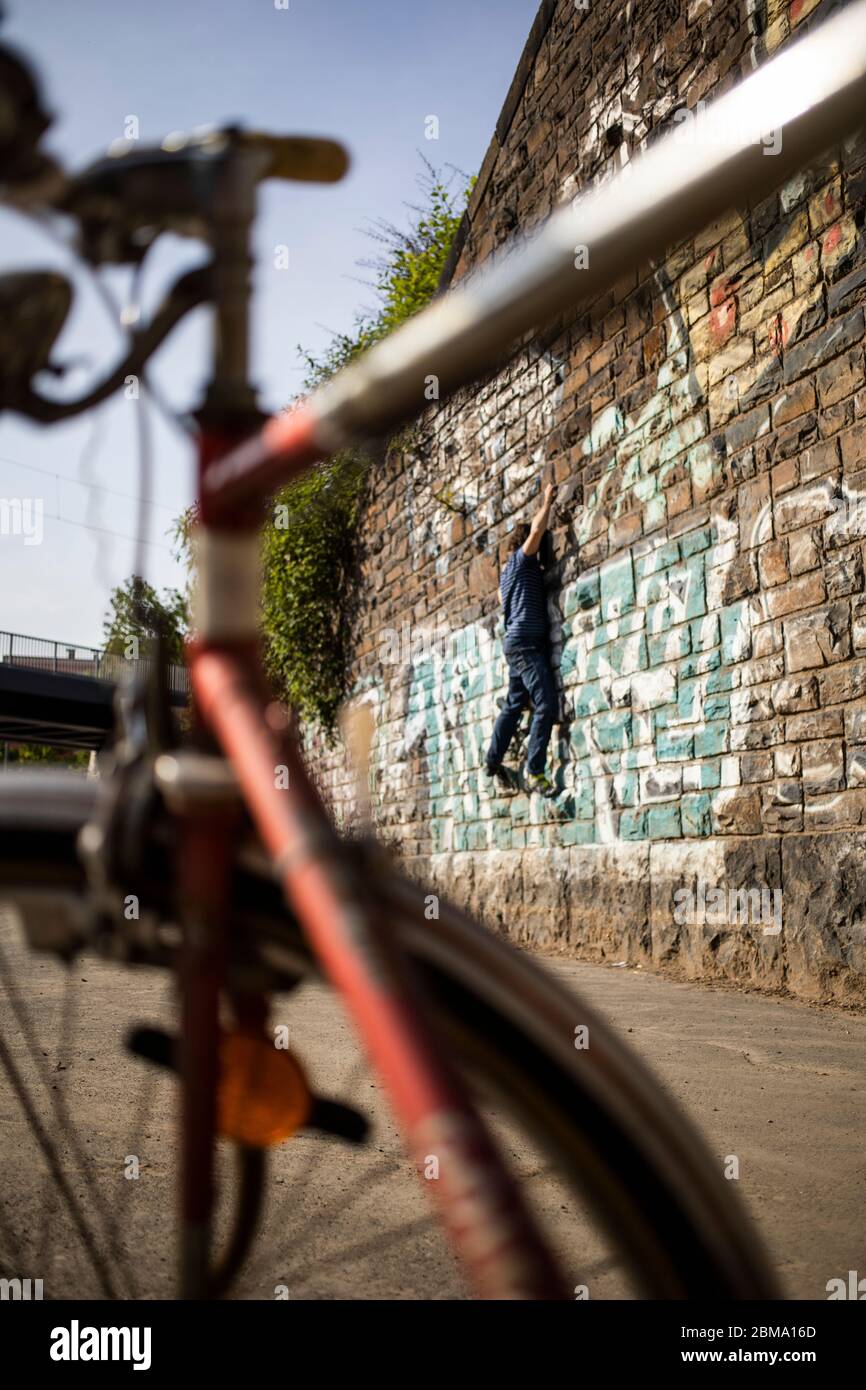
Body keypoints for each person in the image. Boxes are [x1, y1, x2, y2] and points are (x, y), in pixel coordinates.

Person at [485, 482, 558, 797]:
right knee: (546, 703)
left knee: (515, 704)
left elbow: (504, 601)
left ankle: (491, 761)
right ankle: (536, 770)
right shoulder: (520, 560)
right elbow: (537, 530)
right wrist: (546, 501)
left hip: (515, 644)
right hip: (525, 646)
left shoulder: (506, 578)